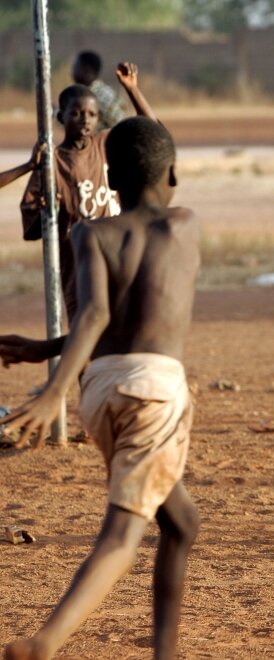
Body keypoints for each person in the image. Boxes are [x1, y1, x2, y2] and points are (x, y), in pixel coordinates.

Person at [0, 117, 200, 660]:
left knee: (180, 521)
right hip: (151, 393)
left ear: (109, 180)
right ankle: (44, 643)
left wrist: (48, 355)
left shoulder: (90, 233)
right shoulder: (185, 225)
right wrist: (48, 393)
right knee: (122, 535)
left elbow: (98, 317)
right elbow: (102, 315)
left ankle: (164, 652)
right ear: (173, 171)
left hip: (100, 391)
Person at [21, 61, 157, 321]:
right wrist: (44, 210)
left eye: (92, 115)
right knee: (86, 338)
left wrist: (132, 90)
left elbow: (153, 135)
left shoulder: (108, 143)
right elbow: (34, 229)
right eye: (76, 113)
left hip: (119, 258)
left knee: (127, 332)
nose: (85, 120)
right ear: (61, 116)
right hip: (79, 271)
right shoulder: (51, 163)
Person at [71, 50, 127, 131]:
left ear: (86, 69)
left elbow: (121, 126)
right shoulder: (88, 92)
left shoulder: (102, 96)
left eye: (75, 67)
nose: (73, 71)